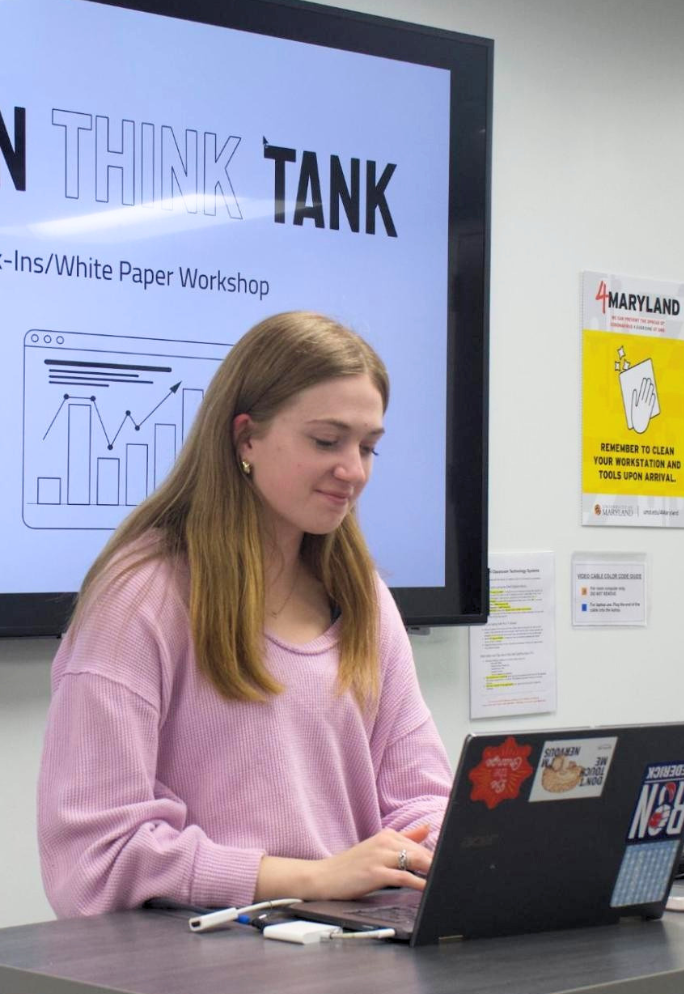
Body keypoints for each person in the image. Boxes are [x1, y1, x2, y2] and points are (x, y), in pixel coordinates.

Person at [37, 311, 453, 918]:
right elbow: (98, 855)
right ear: (245, 439)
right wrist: (311, 878)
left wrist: (447, 850)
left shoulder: (363, 598)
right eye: (326, 441)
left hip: (352, 949)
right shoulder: (141, 598)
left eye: (368, 447)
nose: (354, 471)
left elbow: (421, 801)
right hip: (200, 959)